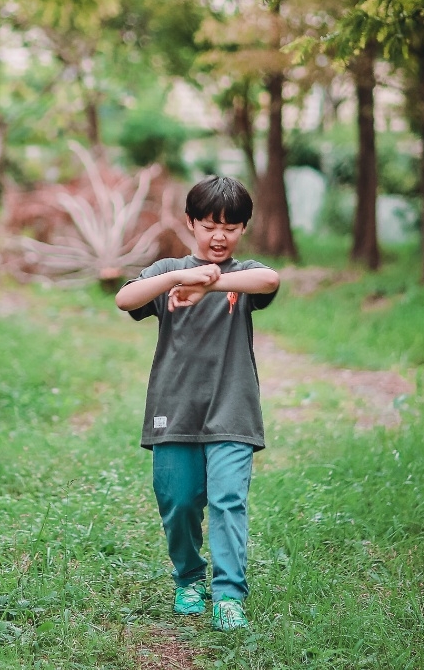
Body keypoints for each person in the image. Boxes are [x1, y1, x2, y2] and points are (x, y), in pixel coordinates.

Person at [115, 175, 280, 632]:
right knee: (179, 501)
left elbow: (270, 279)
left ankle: (229, 595)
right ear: (191, 223)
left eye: (230, 226)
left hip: (232, 410)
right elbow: (124, 297)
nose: (219, 236)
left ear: (244, 228)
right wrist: (179, 276)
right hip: (174, 410)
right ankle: (189, 577)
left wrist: (208, 286)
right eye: (208, 225)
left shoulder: (243, 274)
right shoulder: (170, 270)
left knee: (228, 501)